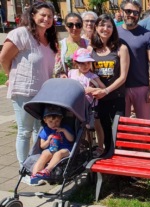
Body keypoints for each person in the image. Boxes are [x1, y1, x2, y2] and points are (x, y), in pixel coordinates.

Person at [0, 1, 58, 169]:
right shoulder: (21, 34)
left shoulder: (49, 39)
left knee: (39, 130)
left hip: (43, 93)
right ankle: (24, 169)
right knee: (25, 131)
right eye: (43, 15)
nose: (46, 19)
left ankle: (36, 165)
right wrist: (9, 74)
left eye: (50, 16)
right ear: (33, 15)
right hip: (24, 90)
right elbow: (4, 57)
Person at [90, 14, 130, 154]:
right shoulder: (92, 49)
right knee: (105, 127)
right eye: (102, 25)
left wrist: (106, 90)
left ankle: (121, 156)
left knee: (119, 128)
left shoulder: (121, 48)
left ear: (113, 28)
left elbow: (123, 77)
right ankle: (108, 155)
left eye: (109, 26)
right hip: (99, 99)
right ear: (96, 27)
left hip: (116, 96)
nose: (105, 29)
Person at [118, 0, 150, 120]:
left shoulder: (147, 35)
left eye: (135, 13)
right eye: (128, 11)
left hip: (141, 87)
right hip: (120, 87)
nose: (131, 15)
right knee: (121, 124)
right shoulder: (114, 33)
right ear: (122, 12)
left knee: (143, 124)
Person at [67, 48, 107, 157]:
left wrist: (93, 90)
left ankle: (100, 147)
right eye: (82, 63)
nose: (86, 66)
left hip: (92, 106)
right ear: (76, 63)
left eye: (88, 63)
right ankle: (81, 146)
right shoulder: (71, 73)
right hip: (76, 105)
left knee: (97, 125)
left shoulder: (92, 76)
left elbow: (103, 89)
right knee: (80, 127)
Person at [24, 105, 74, 185]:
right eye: (51, 122)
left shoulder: (64, 127)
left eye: (57, 121)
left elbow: (71, 139)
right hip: (52, 149)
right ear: (45, 120)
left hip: (66, 149)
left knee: (59, 153)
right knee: (44, 153)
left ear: (61, 119)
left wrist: (64, 131)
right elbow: (42, 146)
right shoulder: (46, 130)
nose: (54, 124)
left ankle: (47, 170)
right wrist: (48, 140)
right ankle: (34, 175)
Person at [53, 13, 88, 77]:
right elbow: (57, 69)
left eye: (78, 25)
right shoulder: (60, 45)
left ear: (82, 26)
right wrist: (61, 75)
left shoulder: (88, 44)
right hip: (69, 83)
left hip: (87, 83)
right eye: (70, 25)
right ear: (66, 26)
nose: (74, 28)